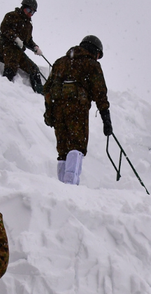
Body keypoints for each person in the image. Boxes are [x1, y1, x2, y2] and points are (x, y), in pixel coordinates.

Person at [43, 35, 112, 185]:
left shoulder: (60, 62)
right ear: (94, 50)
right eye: (98, 55)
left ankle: (61, 185)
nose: (97, 58)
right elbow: (100, 93)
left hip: (58, 110)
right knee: (76, 145)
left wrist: (49, 111)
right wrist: (106, 118)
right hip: (77, 110)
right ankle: (70, 186)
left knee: (63, 149)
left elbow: (47, 89)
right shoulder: (91, 64)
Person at [0, 0, 44, 94]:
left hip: (19, 52)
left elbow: (28, 41)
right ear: (23, 7)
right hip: (8, 48)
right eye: (29, 10)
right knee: (11, 67)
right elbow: (4, 28)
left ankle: (39, 94)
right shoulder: (11, 16)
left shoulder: (29, 25)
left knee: (34, 69)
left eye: (33, 12)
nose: (31, 14)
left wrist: (35, 47)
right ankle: (2, 91)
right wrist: (15, 38)